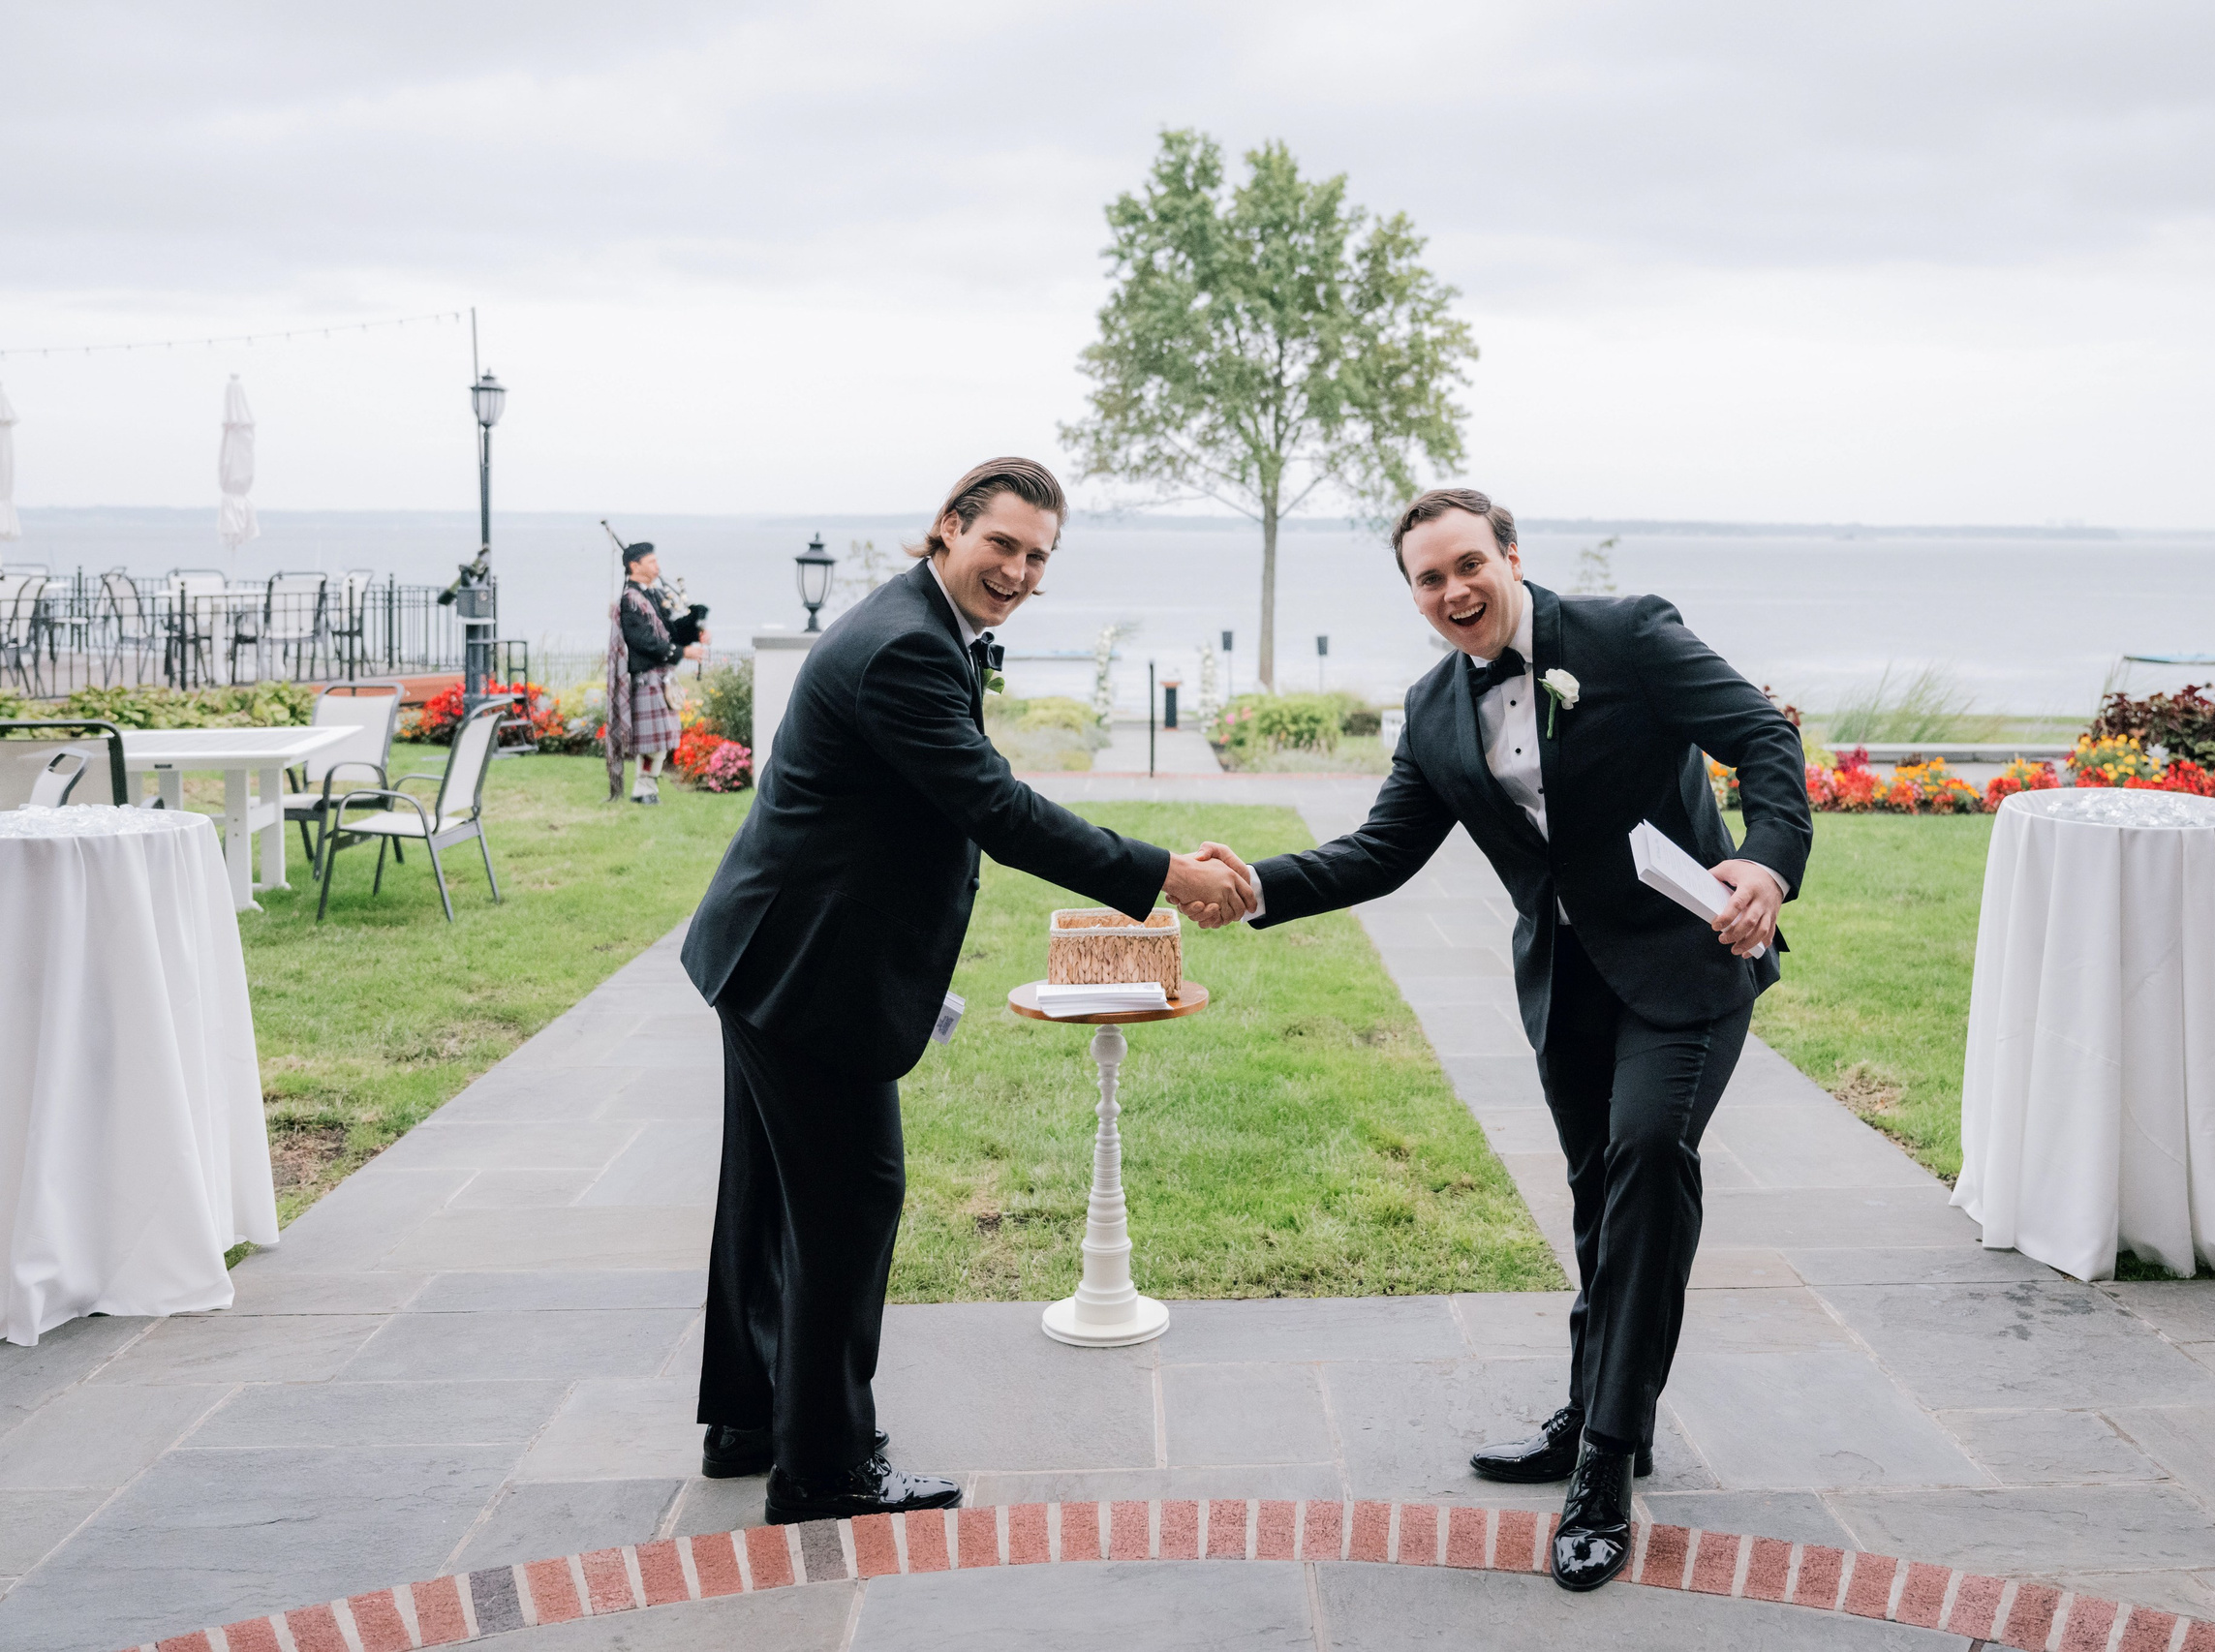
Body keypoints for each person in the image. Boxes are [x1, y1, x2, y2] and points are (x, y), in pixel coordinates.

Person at [1192, 487, 1810, 1592]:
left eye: (1469, 564)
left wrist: (1765, 863)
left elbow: (1763, 735)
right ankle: (1595, 1404)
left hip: (1688, 956)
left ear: (1511, 557)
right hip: (1568, 983)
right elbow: (1381, 850)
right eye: (1428, 578)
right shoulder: (1434, 709)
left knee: (1646, 1159)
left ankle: (1605, 1464)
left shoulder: (1627, 636)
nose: (1454, 590)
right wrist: (1252, 888)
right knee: (1596, 1194)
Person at [678, 456, 1252, 1526]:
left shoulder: (915, 622)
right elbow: (999, 809)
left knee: (771, 1203)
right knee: (850, 1202)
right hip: (807, 970)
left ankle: (752, 1421)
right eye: (1002, 543)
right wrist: (1168, 875)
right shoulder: (905, 645)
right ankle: (825, 1469)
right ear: (948, 525)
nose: (1019, 570)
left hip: (772, 949)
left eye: (1038, 555)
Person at [605, 542, 708, 804]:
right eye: (651, 561)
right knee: (653, 742)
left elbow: (671, 631)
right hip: (647, 677)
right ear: (634, 566)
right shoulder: (630, 600)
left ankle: (645, 789)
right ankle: (644, 789)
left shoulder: (653, 594)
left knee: (660, 740)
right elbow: (643, 641)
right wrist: (683, 653)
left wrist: (694, 628)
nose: (657, 566)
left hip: (660, 677)